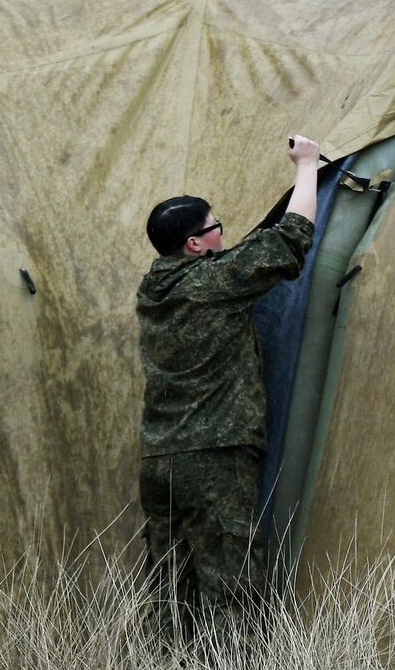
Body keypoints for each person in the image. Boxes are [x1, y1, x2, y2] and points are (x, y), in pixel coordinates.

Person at [136, 134, 321, 632]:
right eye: (216, 228)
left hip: (160, 459)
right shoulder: (210, 284)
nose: (224, 234)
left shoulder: (155, 290)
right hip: (213, 455)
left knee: (171, 592)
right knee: (233, 587)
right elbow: (291, 239)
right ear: (195, 244)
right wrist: (307, 165)